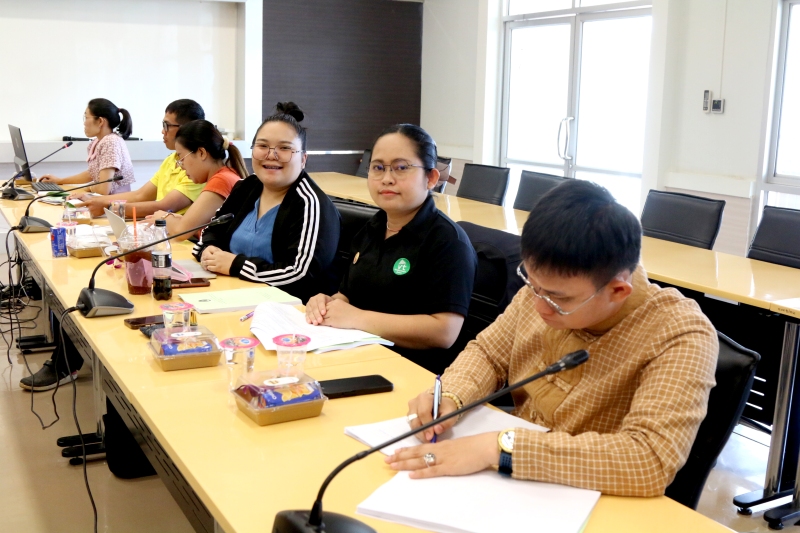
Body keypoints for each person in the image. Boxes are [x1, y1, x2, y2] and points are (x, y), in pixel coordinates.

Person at [386, 179, 718, 498]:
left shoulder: (679, 333)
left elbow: (649, 459)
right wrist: (450, 397)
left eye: (559, 299)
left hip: (592, 500)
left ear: (617, 291)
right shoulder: (543, 291)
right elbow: (488, 353)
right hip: (512, 486)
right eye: (532, 284)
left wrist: (501, 448)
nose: (539, 306)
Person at [305, 124, 476, 374]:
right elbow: (348, 295)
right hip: (357, 357)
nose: (387, 178)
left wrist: (357, 318)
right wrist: (325, 305)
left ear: (430, 178)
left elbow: (445, 332)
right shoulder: (371, 229)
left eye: (401, 167)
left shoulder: (448, 242)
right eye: (378, 167)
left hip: (411, 372)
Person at [192, 102, 340, 303]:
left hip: (289, 310)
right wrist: (207, 250)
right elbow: (212, 231)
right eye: (262, 146)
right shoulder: (246, 187)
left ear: (303, 159)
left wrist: (237, 265)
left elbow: (300, 275)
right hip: (232, 297)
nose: (271, 155)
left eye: (285, 148)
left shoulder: (311, 204)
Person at [73, 99, 207, 218]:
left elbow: (165, 206)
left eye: (167, 125)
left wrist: (108, 206)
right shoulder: (171, 160)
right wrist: (96, 200)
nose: (162, 131)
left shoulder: (198, 167)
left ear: (186, 129)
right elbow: (140, 195)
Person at [146, 120, 246, 240]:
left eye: (182, 158)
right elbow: (201, 228)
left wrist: (163, 217)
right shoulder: (224, 175)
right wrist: (179, 220)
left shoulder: (221, 180)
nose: (182, 166)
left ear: (202, 153)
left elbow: (180, 232)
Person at [39, 98, 135, 194]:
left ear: (100, 121)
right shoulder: (97, 142)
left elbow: (103, 190)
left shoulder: (111, 142)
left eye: (86, 118)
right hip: (100, 199)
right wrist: (60, 181)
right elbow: (92, 174)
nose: (84, 123)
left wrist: (85, 189)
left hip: (113, 202)